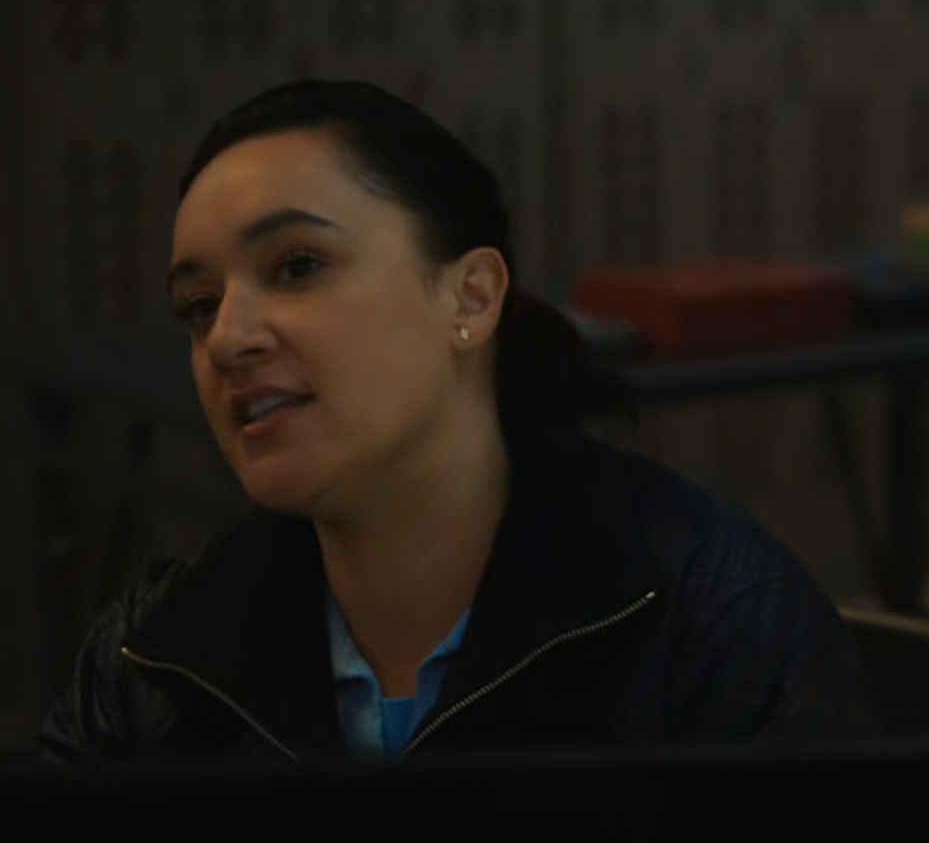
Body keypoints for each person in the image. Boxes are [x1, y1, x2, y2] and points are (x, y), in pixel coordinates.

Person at [36, 79, 881, 765]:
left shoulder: (716, 618)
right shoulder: (148, 664)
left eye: (297, 266)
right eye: (198, 305)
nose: (227, 339)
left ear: (471, 298)